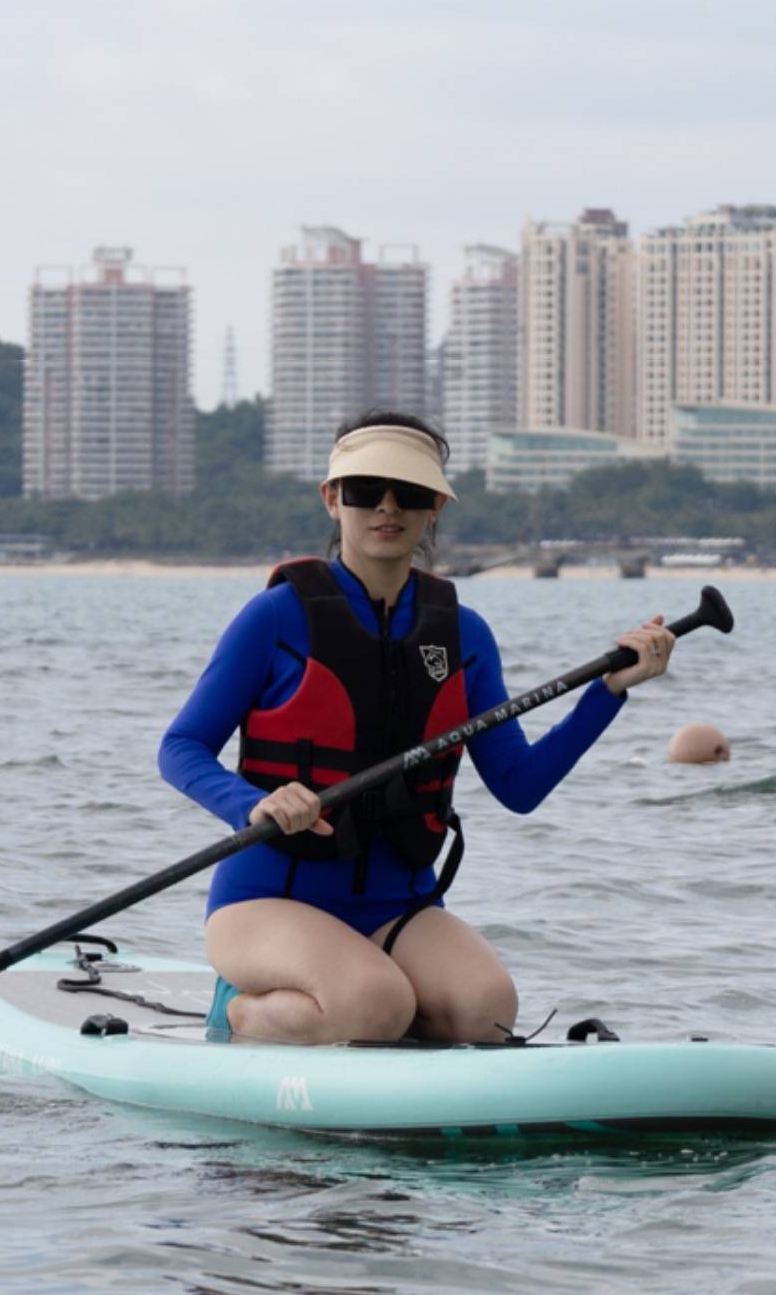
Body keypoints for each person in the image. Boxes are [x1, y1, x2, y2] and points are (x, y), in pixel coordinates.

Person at [158, 409, 675, 1046]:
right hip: (268, 899)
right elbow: (180, 748)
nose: (387, 507)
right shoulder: (275, 618)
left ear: (435, 507)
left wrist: (609, 694)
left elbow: (519, 785)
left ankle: (360, 1012)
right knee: (376, 1004)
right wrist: (254, 803)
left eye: (411, 493)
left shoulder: (464, 634)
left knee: (486, 1012)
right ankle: (241, 1011)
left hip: (396, 904)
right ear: (331, 499)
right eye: (365, 490)